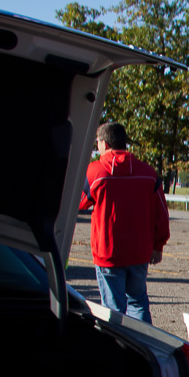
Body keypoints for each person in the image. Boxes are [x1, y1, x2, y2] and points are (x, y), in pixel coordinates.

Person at [79, 121, 170, 324]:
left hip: (108, 253)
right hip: (139, 253)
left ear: (104, 143)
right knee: (138, 303)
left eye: (98, 143)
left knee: (113, 309)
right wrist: (158, 245)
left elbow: (79, 202)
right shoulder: (148, 173)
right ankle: (145, 349)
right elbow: (162, 213)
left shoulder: (95, 172)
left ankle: (118, 351)